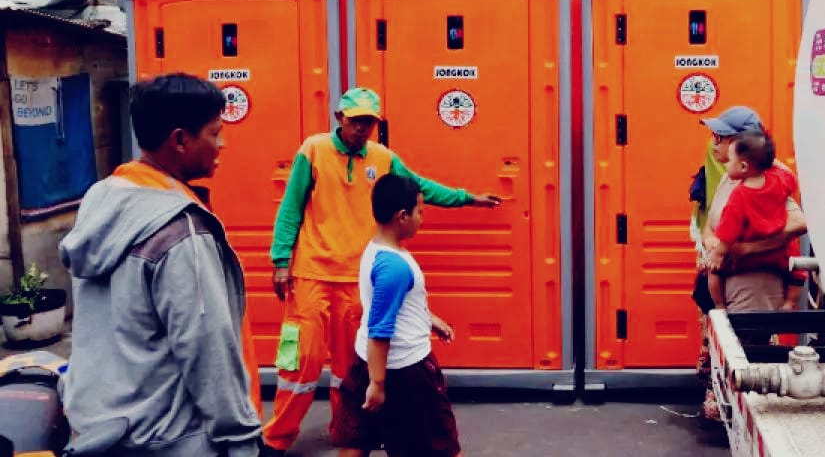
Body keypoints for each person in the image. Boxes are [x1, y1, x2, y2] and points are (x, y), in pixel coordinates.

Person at [261, 88, 498, 456]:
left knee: (348, 367)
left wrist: (466, 198)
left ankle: (347, 432)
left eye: (369, 122)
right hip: (311, 273)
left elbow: (417, 189)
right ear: (339, 117)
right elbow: (291, 207)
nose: (362, 128)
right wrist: (280, 261)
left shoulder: (382, 157)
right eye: (356, 120)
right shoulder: (314, 150)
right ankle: (277, 437)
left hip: (354, 278)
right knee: (301, 360)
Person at [59, 74, 262, 456]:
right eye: (214, 133)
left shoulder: (102, 198)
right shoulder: (180, 229)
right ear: (181, 140)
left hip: (98, 429)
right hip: (169, 438)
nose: (222, 144)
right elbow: (208, 349)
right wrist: (240, 440)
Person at [691, 106, 807, 425]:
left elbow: (797, 224)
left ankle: (741, 414)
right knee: (724, 344)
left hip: (752, 282)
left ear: (742, 144)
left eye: (720, 138)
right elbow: (714, 216)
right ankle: (727, 406)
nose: (714, 144)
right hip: (727, 277)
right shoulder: (734, 174)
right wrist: (711, 238)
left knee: (745, 349)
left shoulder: (771, 176)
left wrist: (744, 249)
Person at [332, 174, 463, 457]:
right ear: (402, 216)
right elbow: (381, 330)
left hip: (365, 361)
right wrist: (377, 385)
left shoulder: (376, 249)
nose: (422, 219)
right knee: (441, 445)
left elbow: (393, 305)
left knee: (356, 440)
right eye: (420, 212)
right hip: (406, 371)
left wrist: (429, 318)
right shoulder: (395, 267)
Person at [704, 130, 803, 310]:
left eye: (730, 161)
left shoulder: (739, 195)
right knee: (797, 271)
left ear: (743, 167)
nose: (726, 165)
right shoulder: (777, 180)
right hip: (776, 254)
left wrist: (718, 254)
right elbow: (791, 179)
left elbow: (727, 231)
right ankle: (791, 302)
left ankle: (719, 307)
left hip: (745, 261)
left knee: (713, 271)